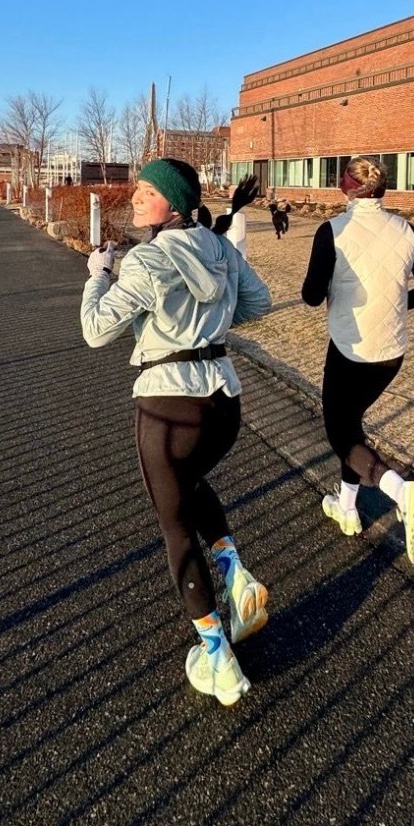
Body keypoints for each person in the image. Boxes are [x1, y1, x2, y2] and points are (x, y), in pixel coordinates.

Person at [80, 158, 273, 707]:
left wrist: (98, 276)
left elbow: (96, 332)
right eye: (137, 189)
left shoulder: (144, 261)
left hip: (169, 409)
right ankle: (237, 575)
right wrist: (206, 322)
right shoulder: (219, 248)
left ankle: (216, 657)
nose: (137, 198)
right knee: (189, 488)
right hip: (224, 403)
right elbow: (258, 304)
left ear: (177, 205)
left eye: (149, 192)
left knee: (175, 527)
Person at [301, 154, 414, 563]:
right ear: (380, 189)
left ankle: (401, 490)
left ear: (346, 187)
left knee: (340, 433)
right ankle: (346, 507)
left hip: (350, 347)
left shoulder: (332, 231)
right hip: (391, 352)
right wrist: (396, 303)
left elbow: (311, 296)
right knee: (352, 425)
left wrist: (329, 286)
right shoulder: (406, 229)